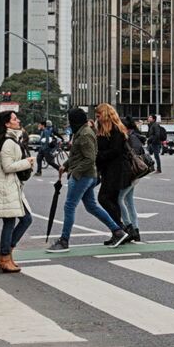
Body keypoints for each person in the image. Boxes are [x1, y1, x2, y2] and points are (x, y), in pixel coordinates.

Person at [47, 107, 130, 252]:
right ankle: (118, 231)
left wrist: (75, 173)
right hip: (86, 174)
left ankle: (64, 240)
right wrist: (66, 165)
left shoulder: (84, 134)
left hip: (83, 175)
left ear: (75, 121)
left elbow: (89, 158)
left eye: (71, 120)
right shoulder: (82, 132)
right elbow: (78, 155)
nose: (69, 123)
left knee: (69, 206)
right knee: (91, 206)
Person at [0, 111, 34, 273]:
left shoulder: (10, 140)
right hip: (6, 186)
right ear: (7, 124)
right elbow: (7, 167)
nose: (18, 120)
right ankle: (5, 255)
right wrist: (27, 162)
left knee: (18, 220)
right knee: (20, 220)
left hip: (10, 186)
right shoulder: (8, 142)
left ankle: (6, 255)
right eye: (14, 119)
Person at [94, 103, 132, 239]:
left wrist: (98, 155)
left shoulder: (115, 130)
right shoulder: (105, 129)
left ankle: (119, 229)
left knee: (103, 198)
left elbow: (115, 151)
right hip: (109, 169)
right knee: (112, 200)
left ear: (104, 115)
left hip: (116, 170)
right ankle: (118, 231)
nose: (97, 118)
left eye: (98, 116)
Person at [120, 114, 148, 241]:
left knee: (118, 199)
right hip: (136, 174)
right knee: (129, 201)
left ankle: (129, 227)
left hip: (130, 173)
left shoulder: (130, 138)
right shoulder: (136, 137)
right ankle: (135, 230)